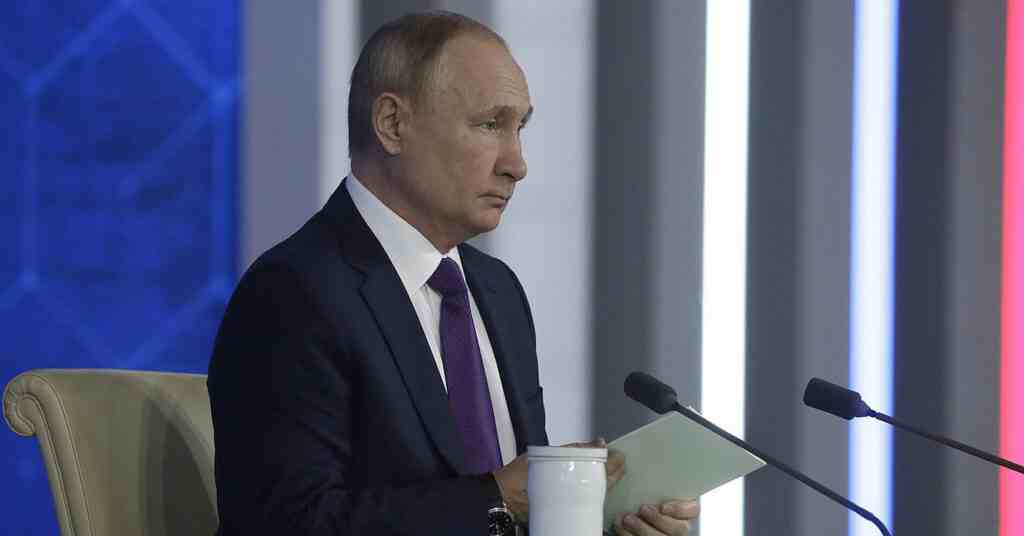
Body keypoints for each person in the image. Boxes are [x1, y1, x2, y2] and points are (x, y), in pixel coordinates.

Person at [208, 10, 699, 536]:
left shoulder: (498, 291)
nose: (517, 164)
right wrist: (497, 497)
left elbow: (518, 516)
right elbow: (282, 523)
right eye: (490, 125)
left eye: (520, 128)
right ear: (392, 124)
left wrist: (603, 523)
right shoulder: (294, 292)